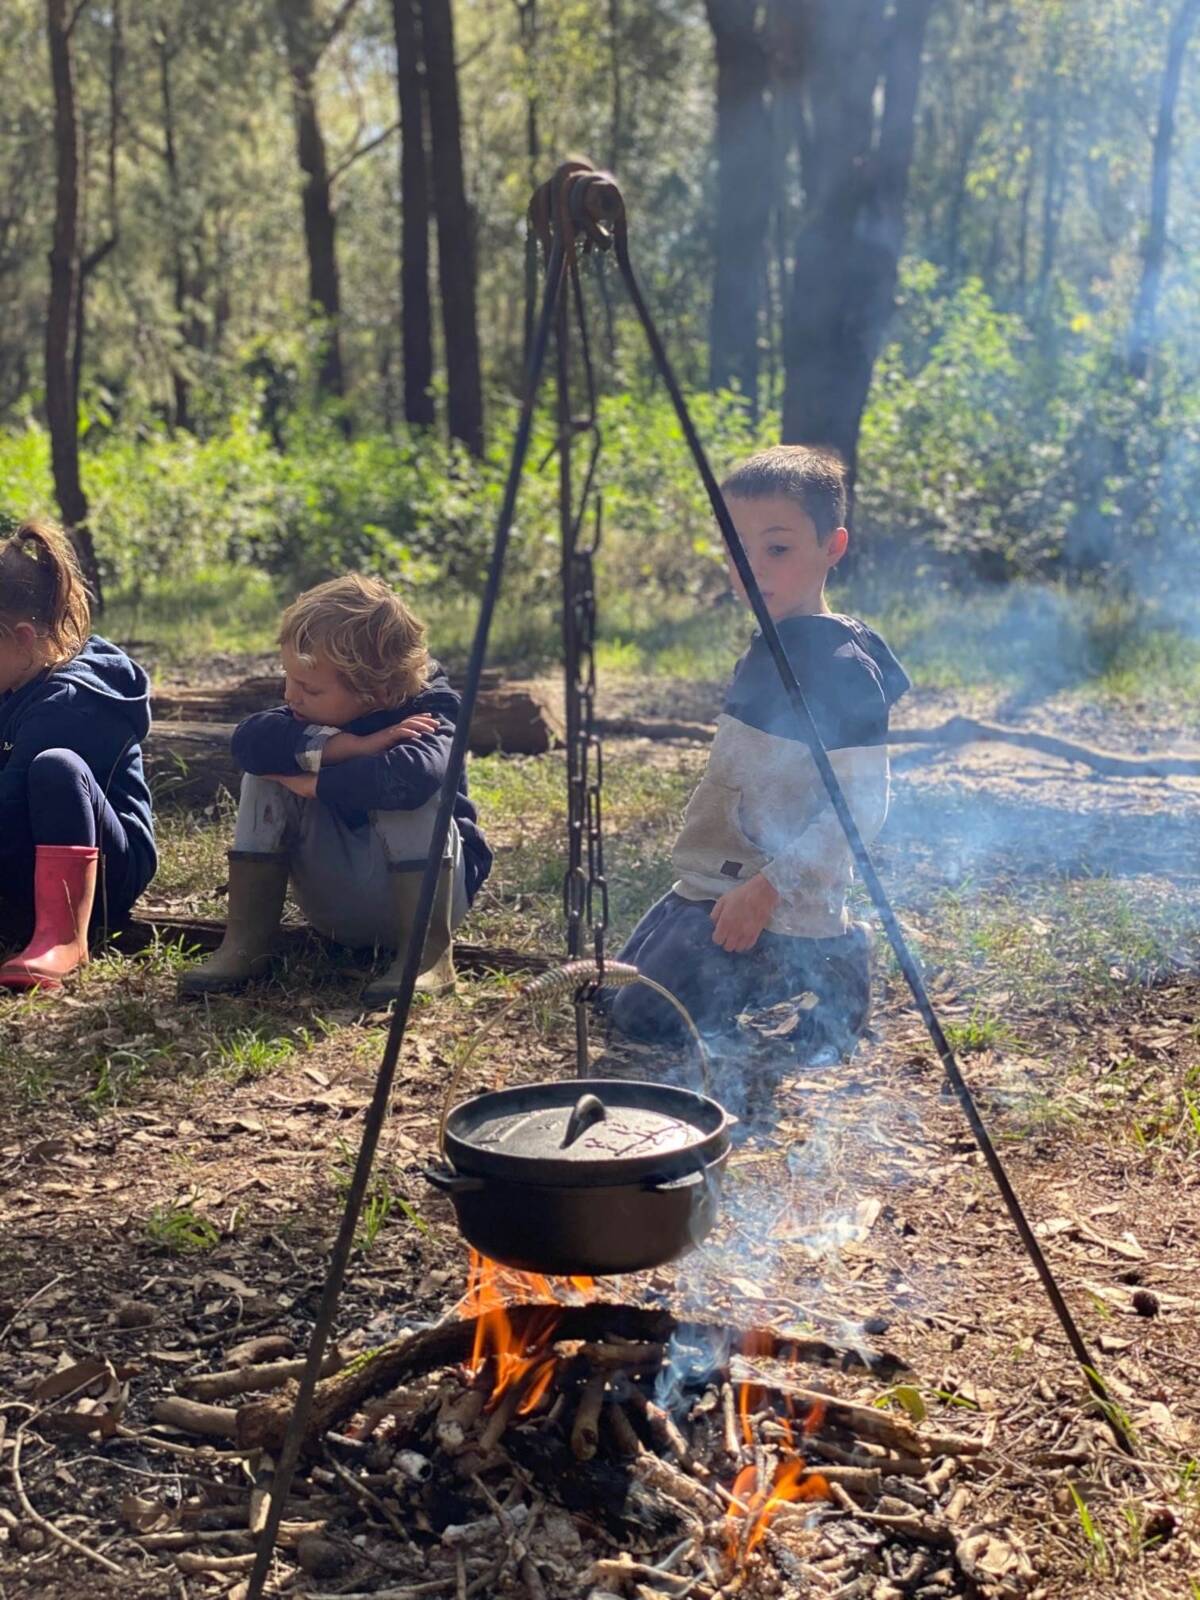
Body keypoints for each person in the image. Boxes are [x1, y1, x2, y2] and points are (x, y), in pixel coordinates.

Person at [609, 446, 909, 1065]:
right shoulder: (771, 641)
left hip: (783, 898)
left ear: (833, 546)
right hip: (720, 874)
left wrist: (769, 889)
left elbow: (864, 807)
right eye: (736, 549)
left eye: (777, 549)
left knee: (648, 1018)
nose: (751, 569)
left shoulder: (841, 669)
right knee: (615, 990)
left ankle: (837, 955)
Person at [178, 574, 491, 1003]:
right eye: (288, 679)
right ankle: (246, 943)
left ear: (377, 690)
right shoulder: (305, 708)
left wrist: (317, 786)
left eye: (309, 688)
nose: (291, 696)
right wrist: (350, 746)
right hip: (332, 906)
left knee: (407, 785)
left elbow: (414, 775)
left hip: (429, 901)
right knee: (266, 769)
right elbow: (248, 742)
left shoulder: (433, 708)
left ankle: (427, 957)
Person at [0, 520, 157, 990]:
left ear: (23, 639)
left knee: (57, 767)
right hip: (25, 855)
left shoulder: (71, 703)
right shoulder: (16, 678)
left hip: (106, 876)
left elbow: (8, 811)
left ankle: (64, 936)